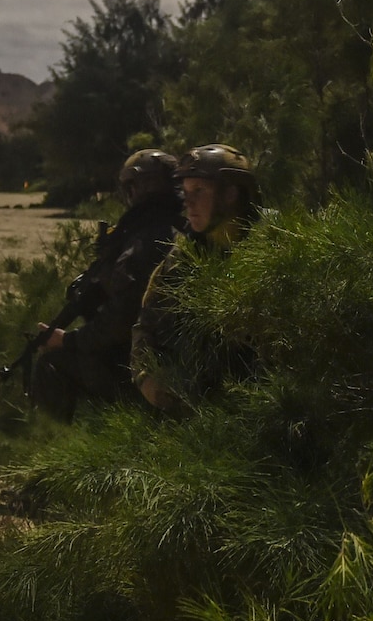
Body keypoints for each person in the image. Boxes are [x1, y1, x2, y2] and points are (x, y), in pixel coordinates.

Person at [26, 148, 184, 420]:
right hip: (171, 361)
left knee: (52, 365)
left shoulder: (147, 239)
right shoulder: (183, 226)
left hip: (147, 369)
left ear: (137, 188)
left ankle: (54, 444)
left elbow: (123, 318)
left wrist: (69, 341)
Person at [132, 144, 260, 413]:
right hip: (196, 406)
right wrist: (146, 379)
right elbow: (146, 326)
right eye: (186, 192)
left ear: (231, 194)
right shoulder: (183, 255)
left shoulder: (274, 246)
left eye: (199, 191)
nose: (188, 203)